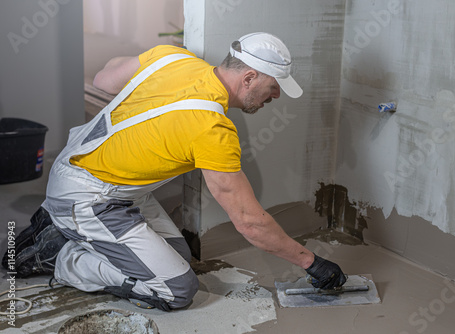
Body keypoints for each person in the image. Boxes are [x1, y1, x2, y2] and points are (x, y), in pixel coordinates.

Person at [3, 32, 346, 311]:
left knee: (180, 258)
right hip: (90, 196)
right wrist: (310, 262)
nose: (275, 96)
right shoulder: (213, 129)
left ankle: (67, 228)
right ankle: (57, 256)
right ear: (249, 77)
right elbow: (249, 222)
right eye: (273, 87)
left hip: (91, 173)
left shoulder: (173, 57)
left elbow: (104, 79)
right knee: (177, 289)